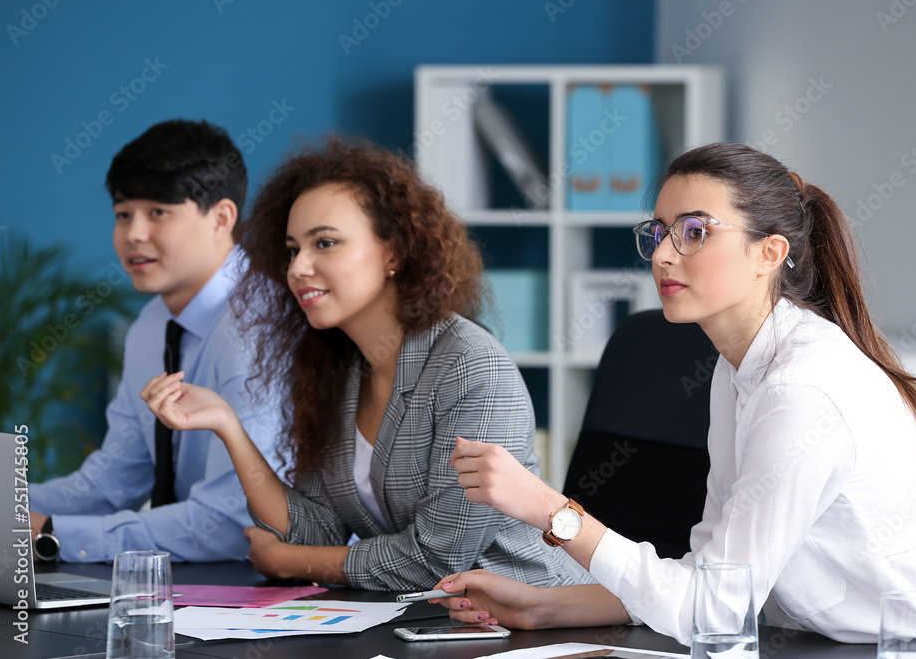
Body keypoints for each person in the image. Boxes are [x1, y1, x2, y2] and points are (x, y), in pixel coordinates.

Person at [433, 143, 916, 655]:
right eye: (658, 232)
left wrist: (547, 510)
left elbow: (713, 613)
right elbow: (713, 579)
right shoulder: (739, 367)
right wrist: (546, 605)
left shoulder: (801, 393)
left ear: (770, 253)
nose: (663, 256)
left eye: (695, 232)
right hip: (823, 638)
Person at [142, 136, 591, 591]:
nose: (298, 268)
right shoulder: (339, 370)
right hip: (428, 624)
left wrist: (293, 560)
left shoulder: (470, 366)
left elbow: (437, 559)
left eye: (325, 243)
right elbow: (315, 529)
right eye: (294, 249)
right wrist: (227, 426)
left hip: (539, 621)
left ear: (393, 252)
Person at [29, 119, 284, 562]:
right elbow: (112, 482)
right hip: (197, 585)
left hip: (284, 590)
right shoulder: (151, 324)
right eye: (123, 214)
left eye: (158, 212)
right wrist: (10, 512)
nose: (133, 234)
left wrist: (51, 533)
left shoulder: (257, 326)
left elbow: (231, 523)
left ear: (222, 218)